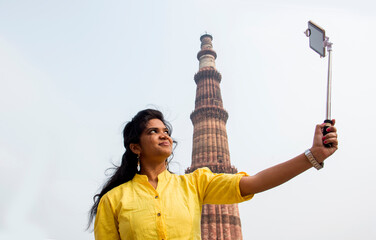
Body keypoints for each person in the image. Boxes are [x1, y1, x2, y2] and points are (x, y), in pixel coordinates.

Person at [88, 109, 338, 240]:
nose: (165, 135)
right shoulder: (114, 200)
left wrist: (313, 155)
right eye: (154, 131)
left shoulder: (194, 184)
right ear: (135, 147)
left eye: (166, 130)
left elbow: (256, 182)